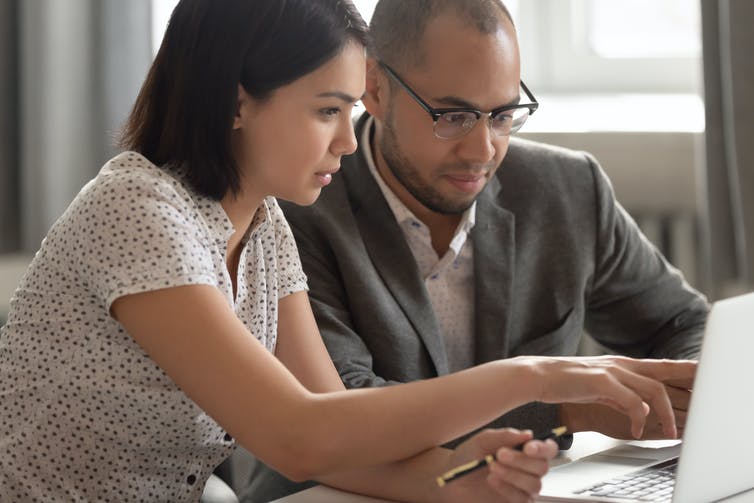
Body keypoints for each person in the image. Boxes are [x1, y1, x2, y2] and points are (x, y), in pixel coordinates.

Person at [0, 0, 694, 502]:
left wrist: (454, 479)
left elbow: (339, 436)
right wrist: (534, 377)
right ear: (237, 102)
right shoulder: (138, 211)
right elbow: (300, 437)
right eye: (328, 109)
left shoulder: (264, 225)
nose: (347, 140)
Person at [242, 0, 709, 500]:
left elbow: (683, 324)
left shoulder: (569, 189)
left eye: (504, 114)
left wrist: (694, 396)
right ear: (374, 89)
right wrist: (564, 405)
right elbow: (346, 412)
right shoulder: (296, 210)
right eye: (454, 116)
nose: (483, 150)